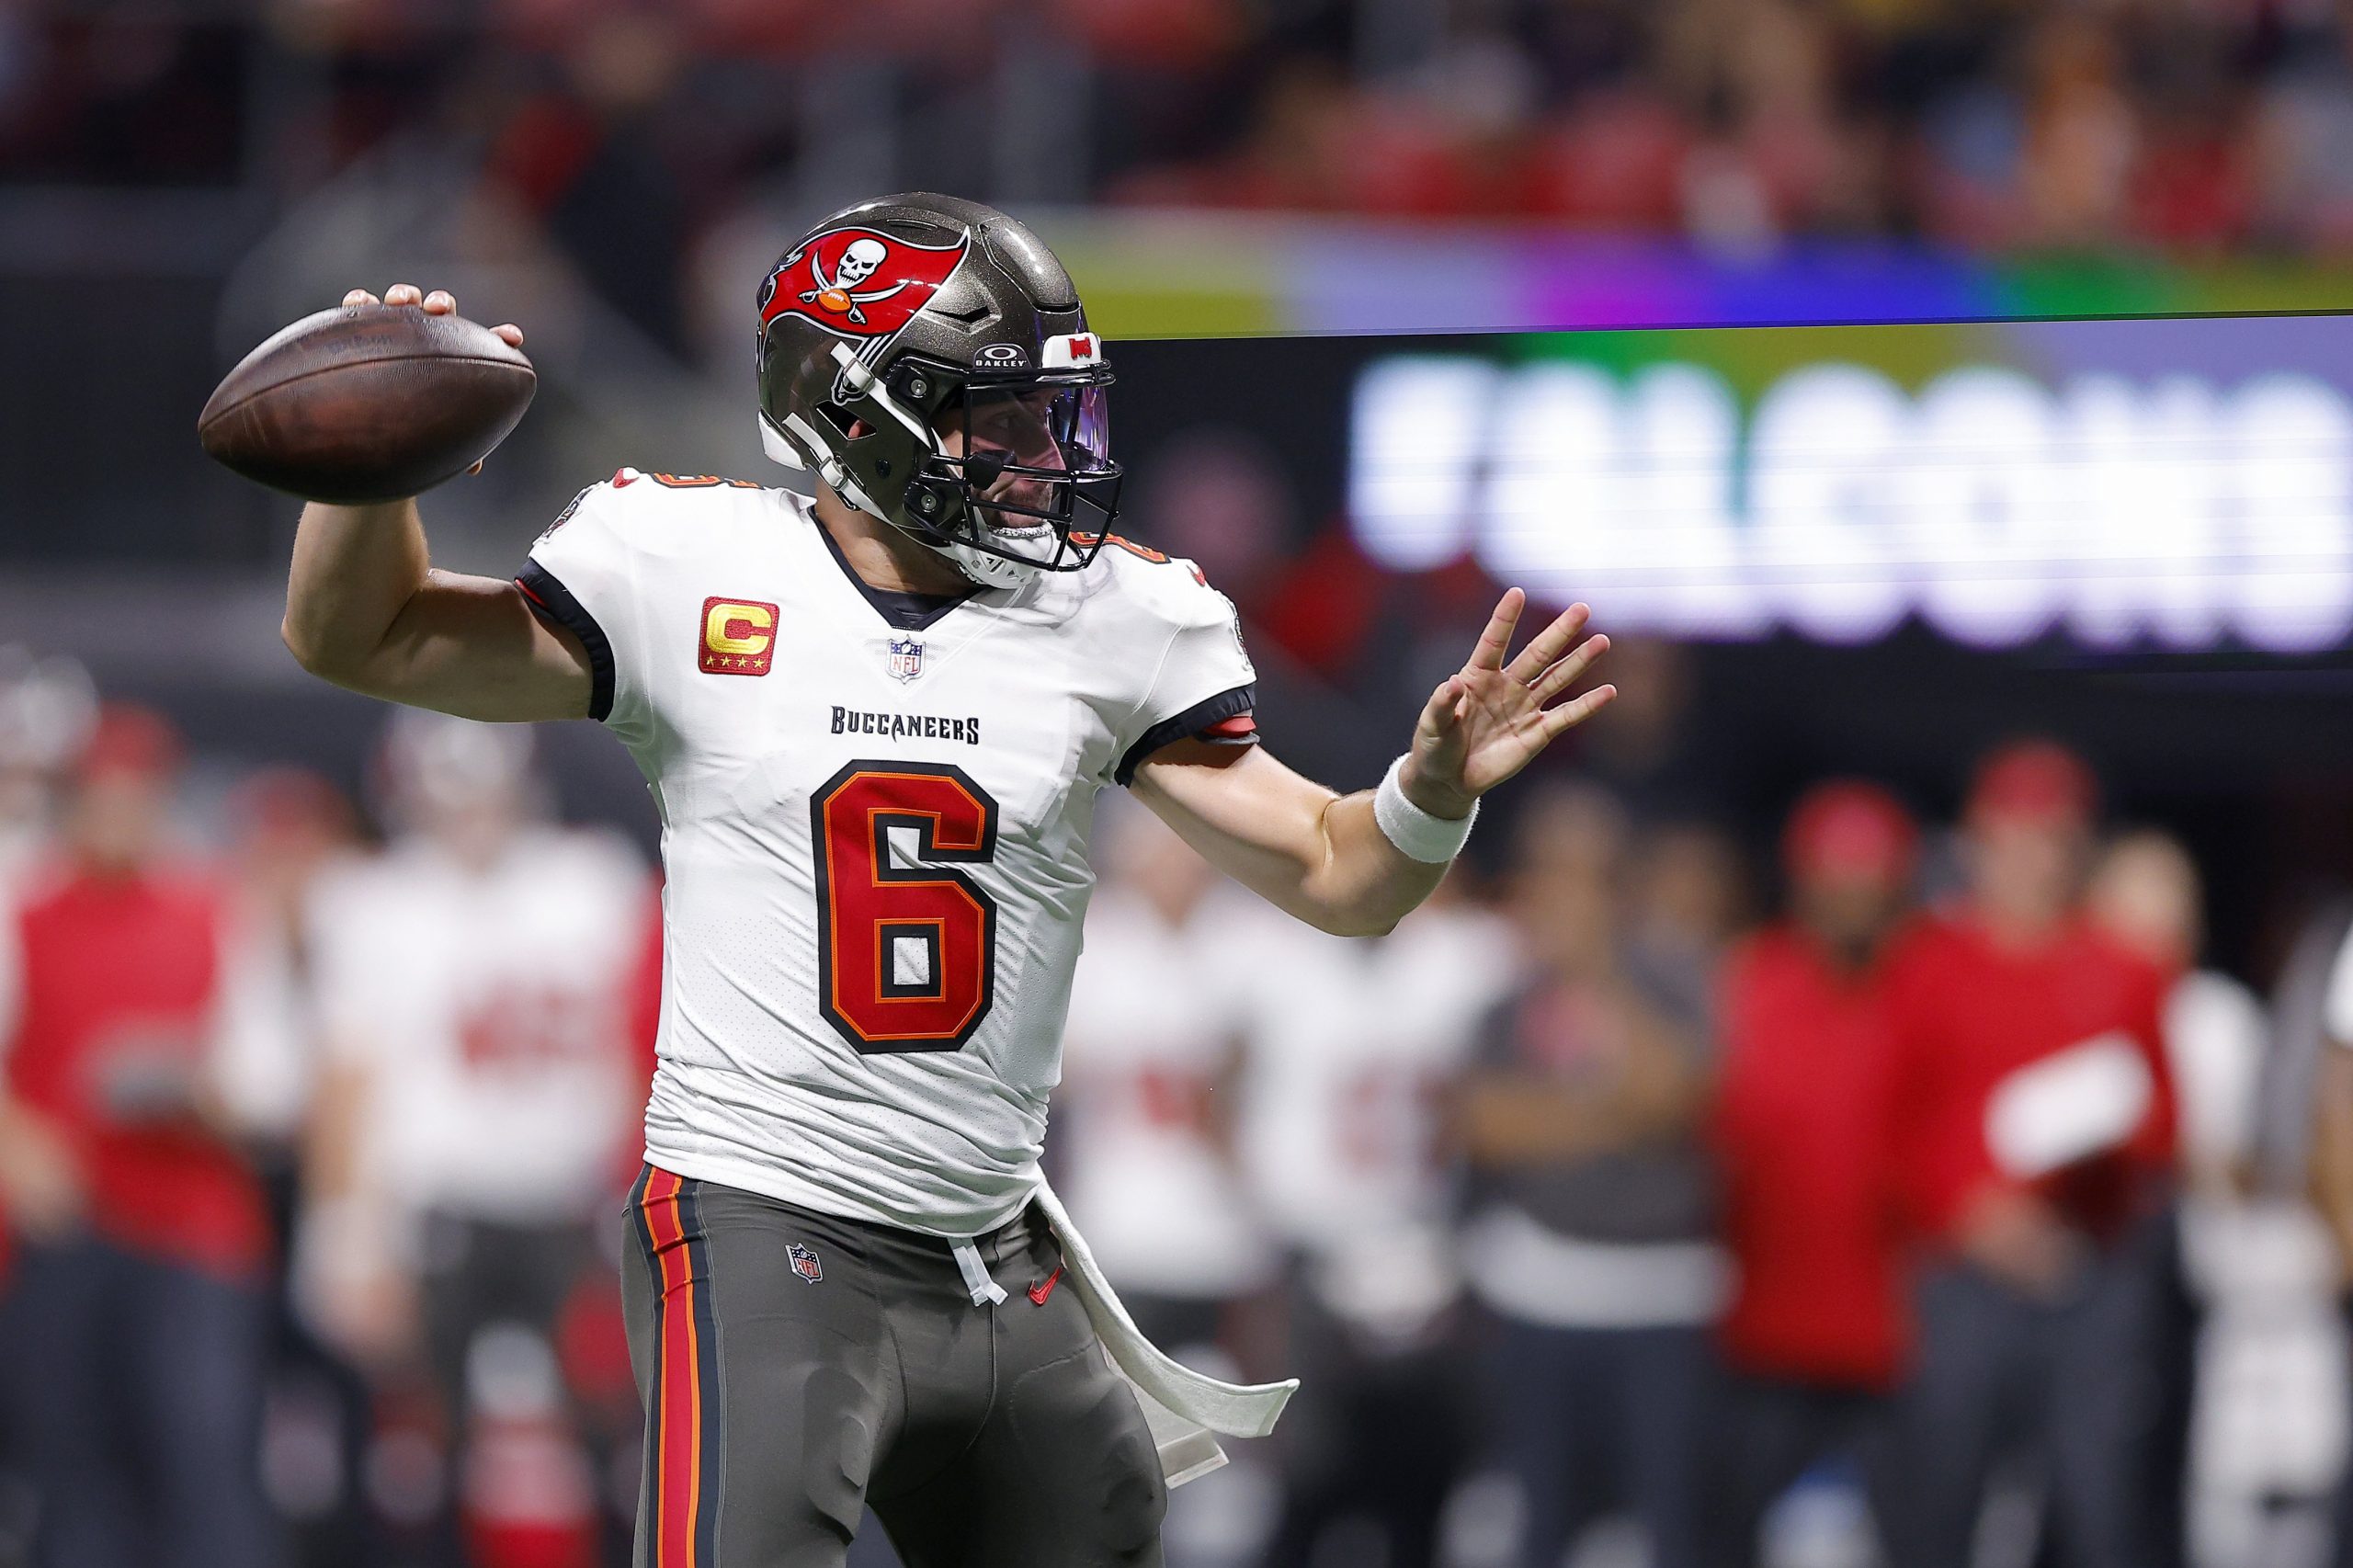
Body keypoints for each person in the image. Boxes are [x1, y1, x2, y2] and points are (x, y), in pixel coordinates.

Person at [272, 191, 1616, 1568]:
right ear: (852, 417)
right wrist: (366, 471)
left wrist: (1430, 788)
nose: (1041, 451)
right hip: (762, 1218)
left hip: (993, 1247)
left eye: (1050, 410)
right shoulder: (684, 565)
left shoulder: (1119, 620)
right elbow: (362, 635)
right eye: (994, 411)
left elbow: (1347, 877)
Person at [302, 710, 657, 1568]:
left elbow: (639, 1054)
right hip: (439, 1210)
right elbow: (347, 1086)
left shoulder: (593, 885)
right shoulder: (372, 902)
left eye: (483, 791)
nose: (469, 815)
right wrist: (344, 1244)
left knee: (617, 1451)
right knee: (423, 1464)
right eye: (446, 793)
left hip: (574, 1207)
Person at [1880, 741, 2178, 1568]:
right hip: (1962, 1281)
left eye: (2051, 837)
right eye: (2012, 834)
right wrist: (1970, 1216)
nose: (2031, 858)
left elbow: (2165, 1126)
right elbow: (1893, 1127)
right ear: (1975, 841)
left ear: (2079, 847)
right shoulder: (1926, 964)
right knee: (1938, 1507)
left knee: (2099, 1516)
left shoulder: (2125, 969)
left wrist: (2104, 1138)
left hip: (2090, 1276)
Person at [0, 705, 283, 1568]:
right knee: (77, 1486)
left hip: (191, 1232)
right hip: (67, 1231)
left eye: (136, 795)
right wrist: (15, 1139)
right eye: (102, 795)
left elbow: (274, 1081)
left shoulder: (217, 908)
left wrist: (195, 1089)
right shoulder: (24, 905)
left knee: (203, 1472)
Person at [1456, 783, 1721, 1568]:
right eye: (1550, 872)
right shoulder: (1504, 997)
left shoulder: (1675, 978)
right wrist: (1612, 1119)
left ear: (1621, 885)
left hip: (1661, 1303)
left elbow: (1673, 1100)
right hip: (1540, 1298)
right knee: (1540, 1524)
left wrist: (1598, 973)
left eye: (1588, 875)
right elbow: (1488, 1129)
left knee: (1669, 1527)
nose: (1565, 894)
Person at [1707, 781, 1918, 1567]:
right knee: (1722, 1537)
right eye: (1837, 880)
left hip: (1898, 1340)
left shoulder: (1926, 984)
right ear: (1802, 881)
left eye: (1871, 883)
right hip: (1765, 1337)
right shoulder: (1746, 980)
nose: (1853, 902)